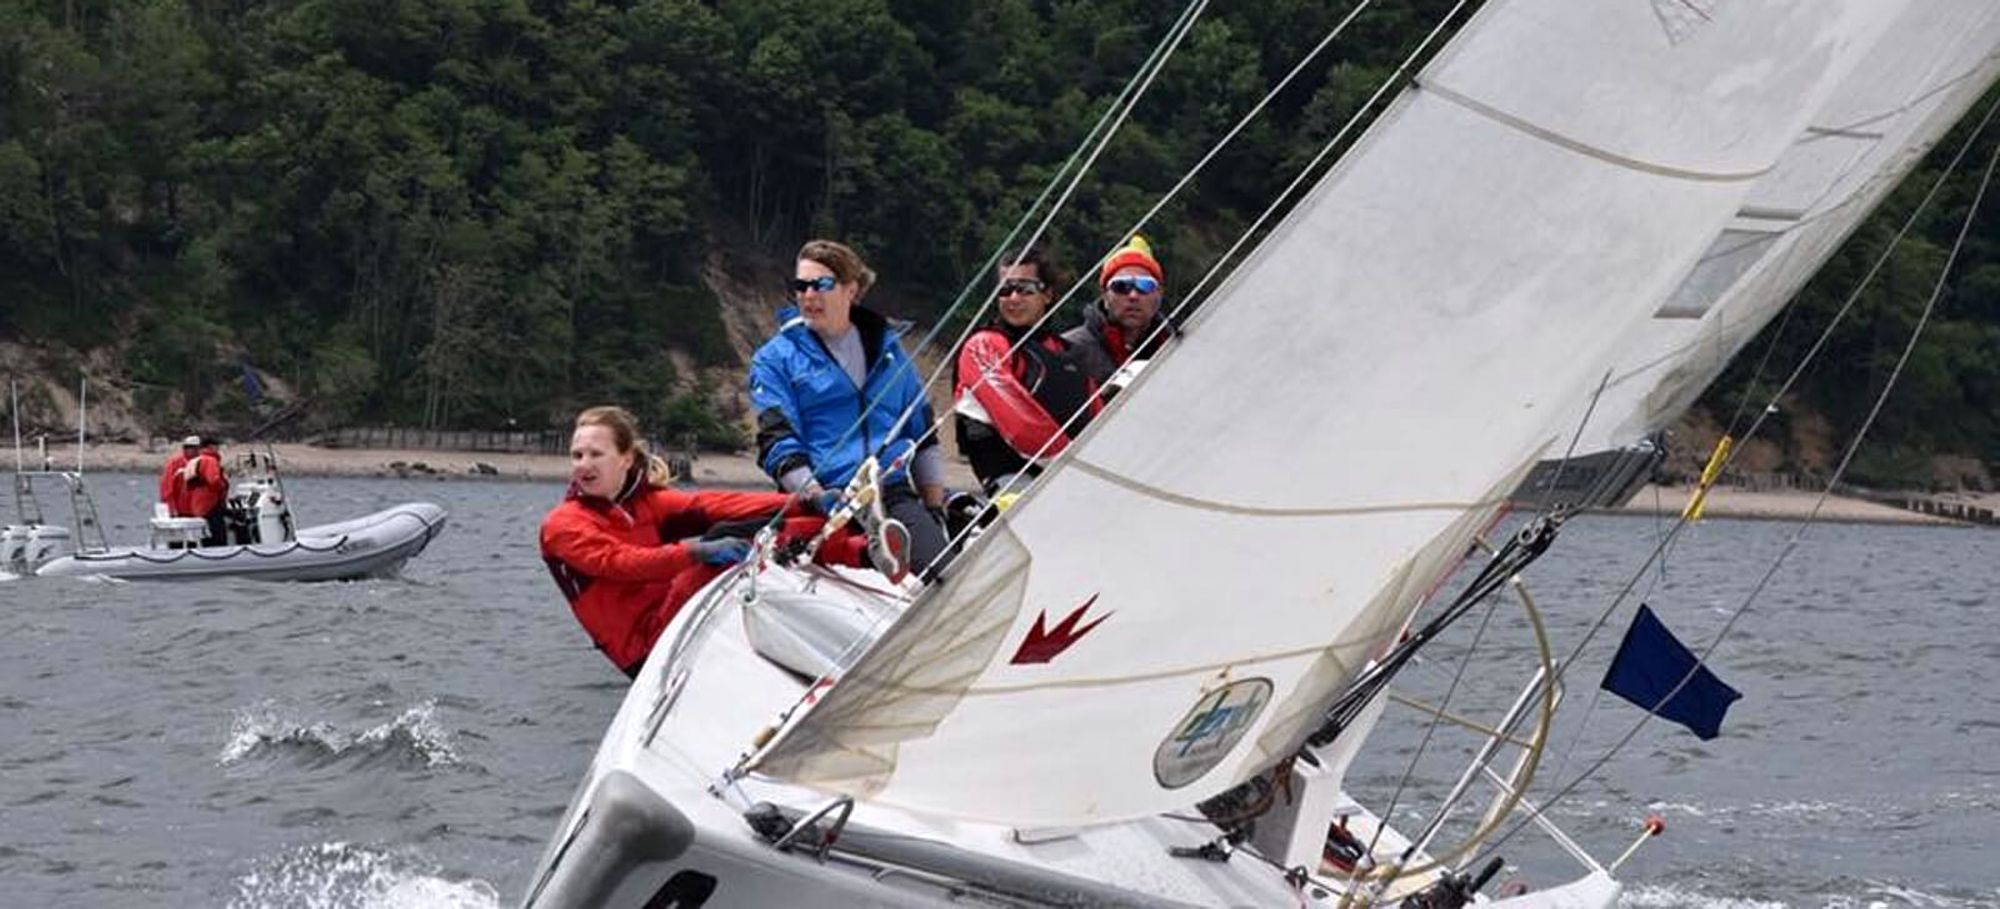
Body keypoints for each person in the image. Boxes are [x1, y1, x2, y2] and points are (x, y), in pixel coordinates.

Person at [540, 406, 907, 678]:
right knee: (724, 540)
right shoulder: (563, 525)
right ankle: (861, 550)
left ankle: (865, 547)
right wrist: (700, 551)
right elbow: (622, 564)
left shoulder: (643, 502)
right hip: (645, 648)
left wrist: (807, 500)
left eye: (595, 454)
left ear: (625, 459)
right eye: (577, 455)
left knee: (751, 524)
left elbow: (716, 504)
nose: (583, 464)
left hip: (672, 612)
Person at [748, 239, 952, 577]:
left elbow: (923, 433)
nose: (809, 295)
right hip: (820, 499)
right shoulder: (775, 359)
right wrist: (815, 494)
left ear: (850, 290)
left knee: (947, 575)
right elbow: (777, 438)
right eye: (801, 286)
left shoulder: (890, 352)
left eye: (821, 284)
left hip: (889, 495)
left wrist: (934, 508)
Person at [953, 246, 1101, 495]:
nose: (1013, 298)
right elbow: (1020, 425)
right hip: (1013, 484)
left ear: (1048, 294)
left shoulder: (1070, 354)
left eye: (1025, 289)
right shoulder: (983, 346)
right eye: (1005, 290)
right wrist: (1071, 469)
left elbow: (1099, 420)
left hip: (1074, 481)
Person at [1063, 235, 1178, 390]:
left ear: (1159, 293)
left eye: (1145, 286)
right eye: (1121, 286)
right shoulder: (1068, 350)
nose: (1133, 296)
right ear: (1104, 294)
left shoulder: (1177, 347)